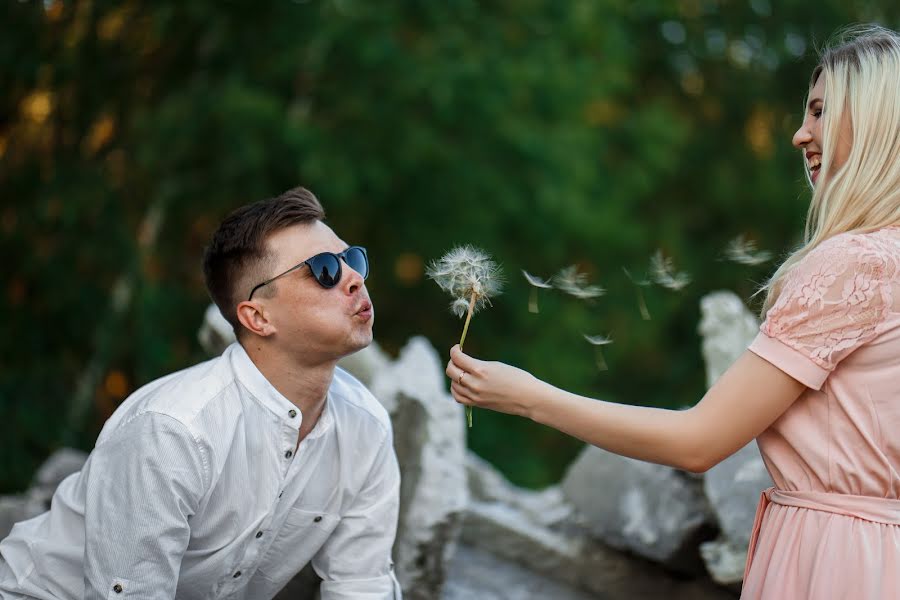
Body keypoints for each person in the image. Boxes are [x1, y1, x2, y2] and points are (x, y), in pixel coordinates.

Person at [445, 25, 900, 599]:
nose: (798, 134)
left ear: (879, 121)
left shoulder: (853, 265)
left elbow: (699, 440)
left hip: (834, 564)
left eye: (819, 112)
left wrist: (530, 397)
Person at [0, 187, 402, 599]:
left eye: (351, 259)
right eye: (323, 270)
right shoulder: (173, 430)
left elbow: (361, 584)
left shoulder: (365, 429)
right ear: (258, 317)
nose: (353, 279)